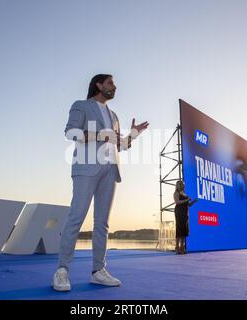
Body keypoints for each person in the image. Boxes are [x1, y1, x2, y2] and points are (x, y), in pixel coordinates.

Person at [52, 74, 149, 291]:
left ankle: (98, 271)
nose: (114, 87)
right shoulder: (81, 105)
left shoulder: (114, 115)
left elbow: (120, 144)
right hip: (86, 168)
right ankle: (61, 271)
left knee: (102, 223)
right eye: (110, 83)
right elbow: (71, 132)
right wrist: (100, 135)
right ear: (98, 85)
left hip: (110, 170)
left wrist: (133, 135)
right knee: (76, 217)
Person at [173, 180, 196, 254]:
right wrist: (187, 200)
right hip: (179, 211)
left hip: (185, 213)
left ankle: (182, 247)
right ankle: (177, 247)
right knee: (179, 229)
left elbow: (188, 204)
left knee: (184, 230)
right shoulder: (176, 193)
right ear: (177, 186)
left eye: (182, 184)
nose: (180, 186)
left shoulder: (185, 194)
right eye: (179, 184)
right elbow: (177, 202)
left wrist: (193, 201)